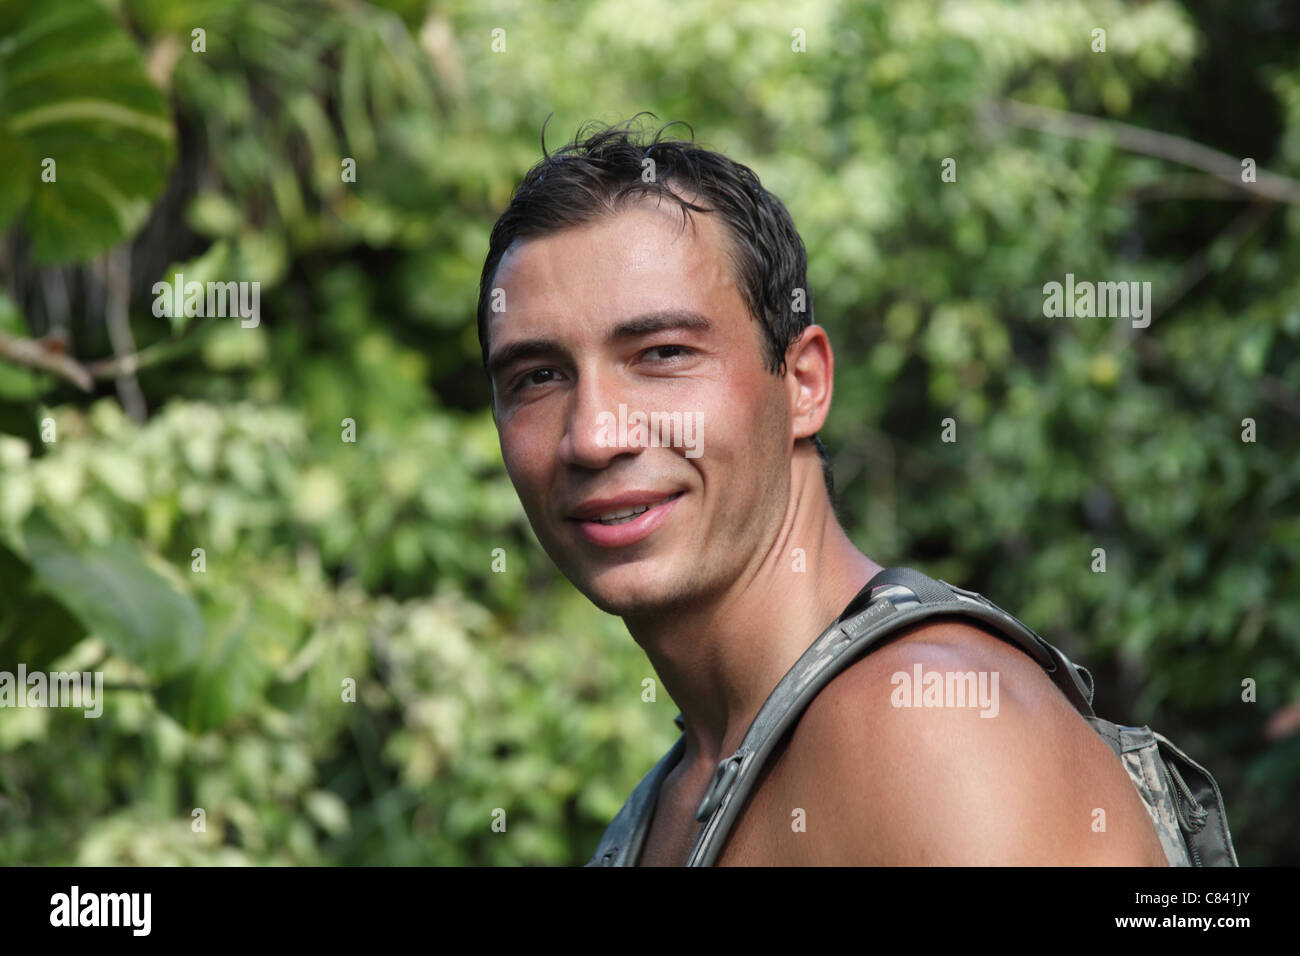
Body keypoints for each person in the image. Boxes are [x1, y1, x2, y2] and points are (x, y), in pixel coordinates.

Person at [475, 117, 1170, 865]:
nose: (594, 435)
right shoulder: (668, 801)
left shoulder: (930, 725)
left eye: (662, 354)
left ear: (803, 384)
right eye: (538, 376)